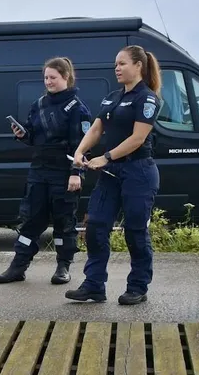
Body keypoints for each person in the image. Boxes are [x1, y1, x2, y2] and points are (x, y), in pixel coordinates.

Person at [66, 45, 162, 305]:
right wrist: (80, 150)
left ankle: (138, 287)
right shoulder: (112, 97)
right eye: (115, 64)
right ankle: (94, 285)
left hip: (138, 172)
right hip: (111, 173)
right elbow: (97, 129)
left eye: (122, 64)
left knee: (135, 231)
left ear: (138, 66)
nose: (116, 68)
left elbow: (138, 139)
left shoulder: (147, 98)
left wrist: (106, 157)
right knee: (96, 225)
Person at [0, 57, 92, 285]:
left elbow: (82, 146)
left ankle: (63, 268)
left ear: (65, 77)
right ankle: (18, 267)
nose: (48, 81)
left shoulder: (78, 108)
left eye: (53, 77)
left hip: (64, 173)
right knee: (30, 221)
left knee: (64, 222)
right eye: (46, 77)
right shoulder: (38, 105)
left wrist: (76, 172)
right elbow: (34, 136)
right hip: (39, 171)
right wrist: (23, 135)